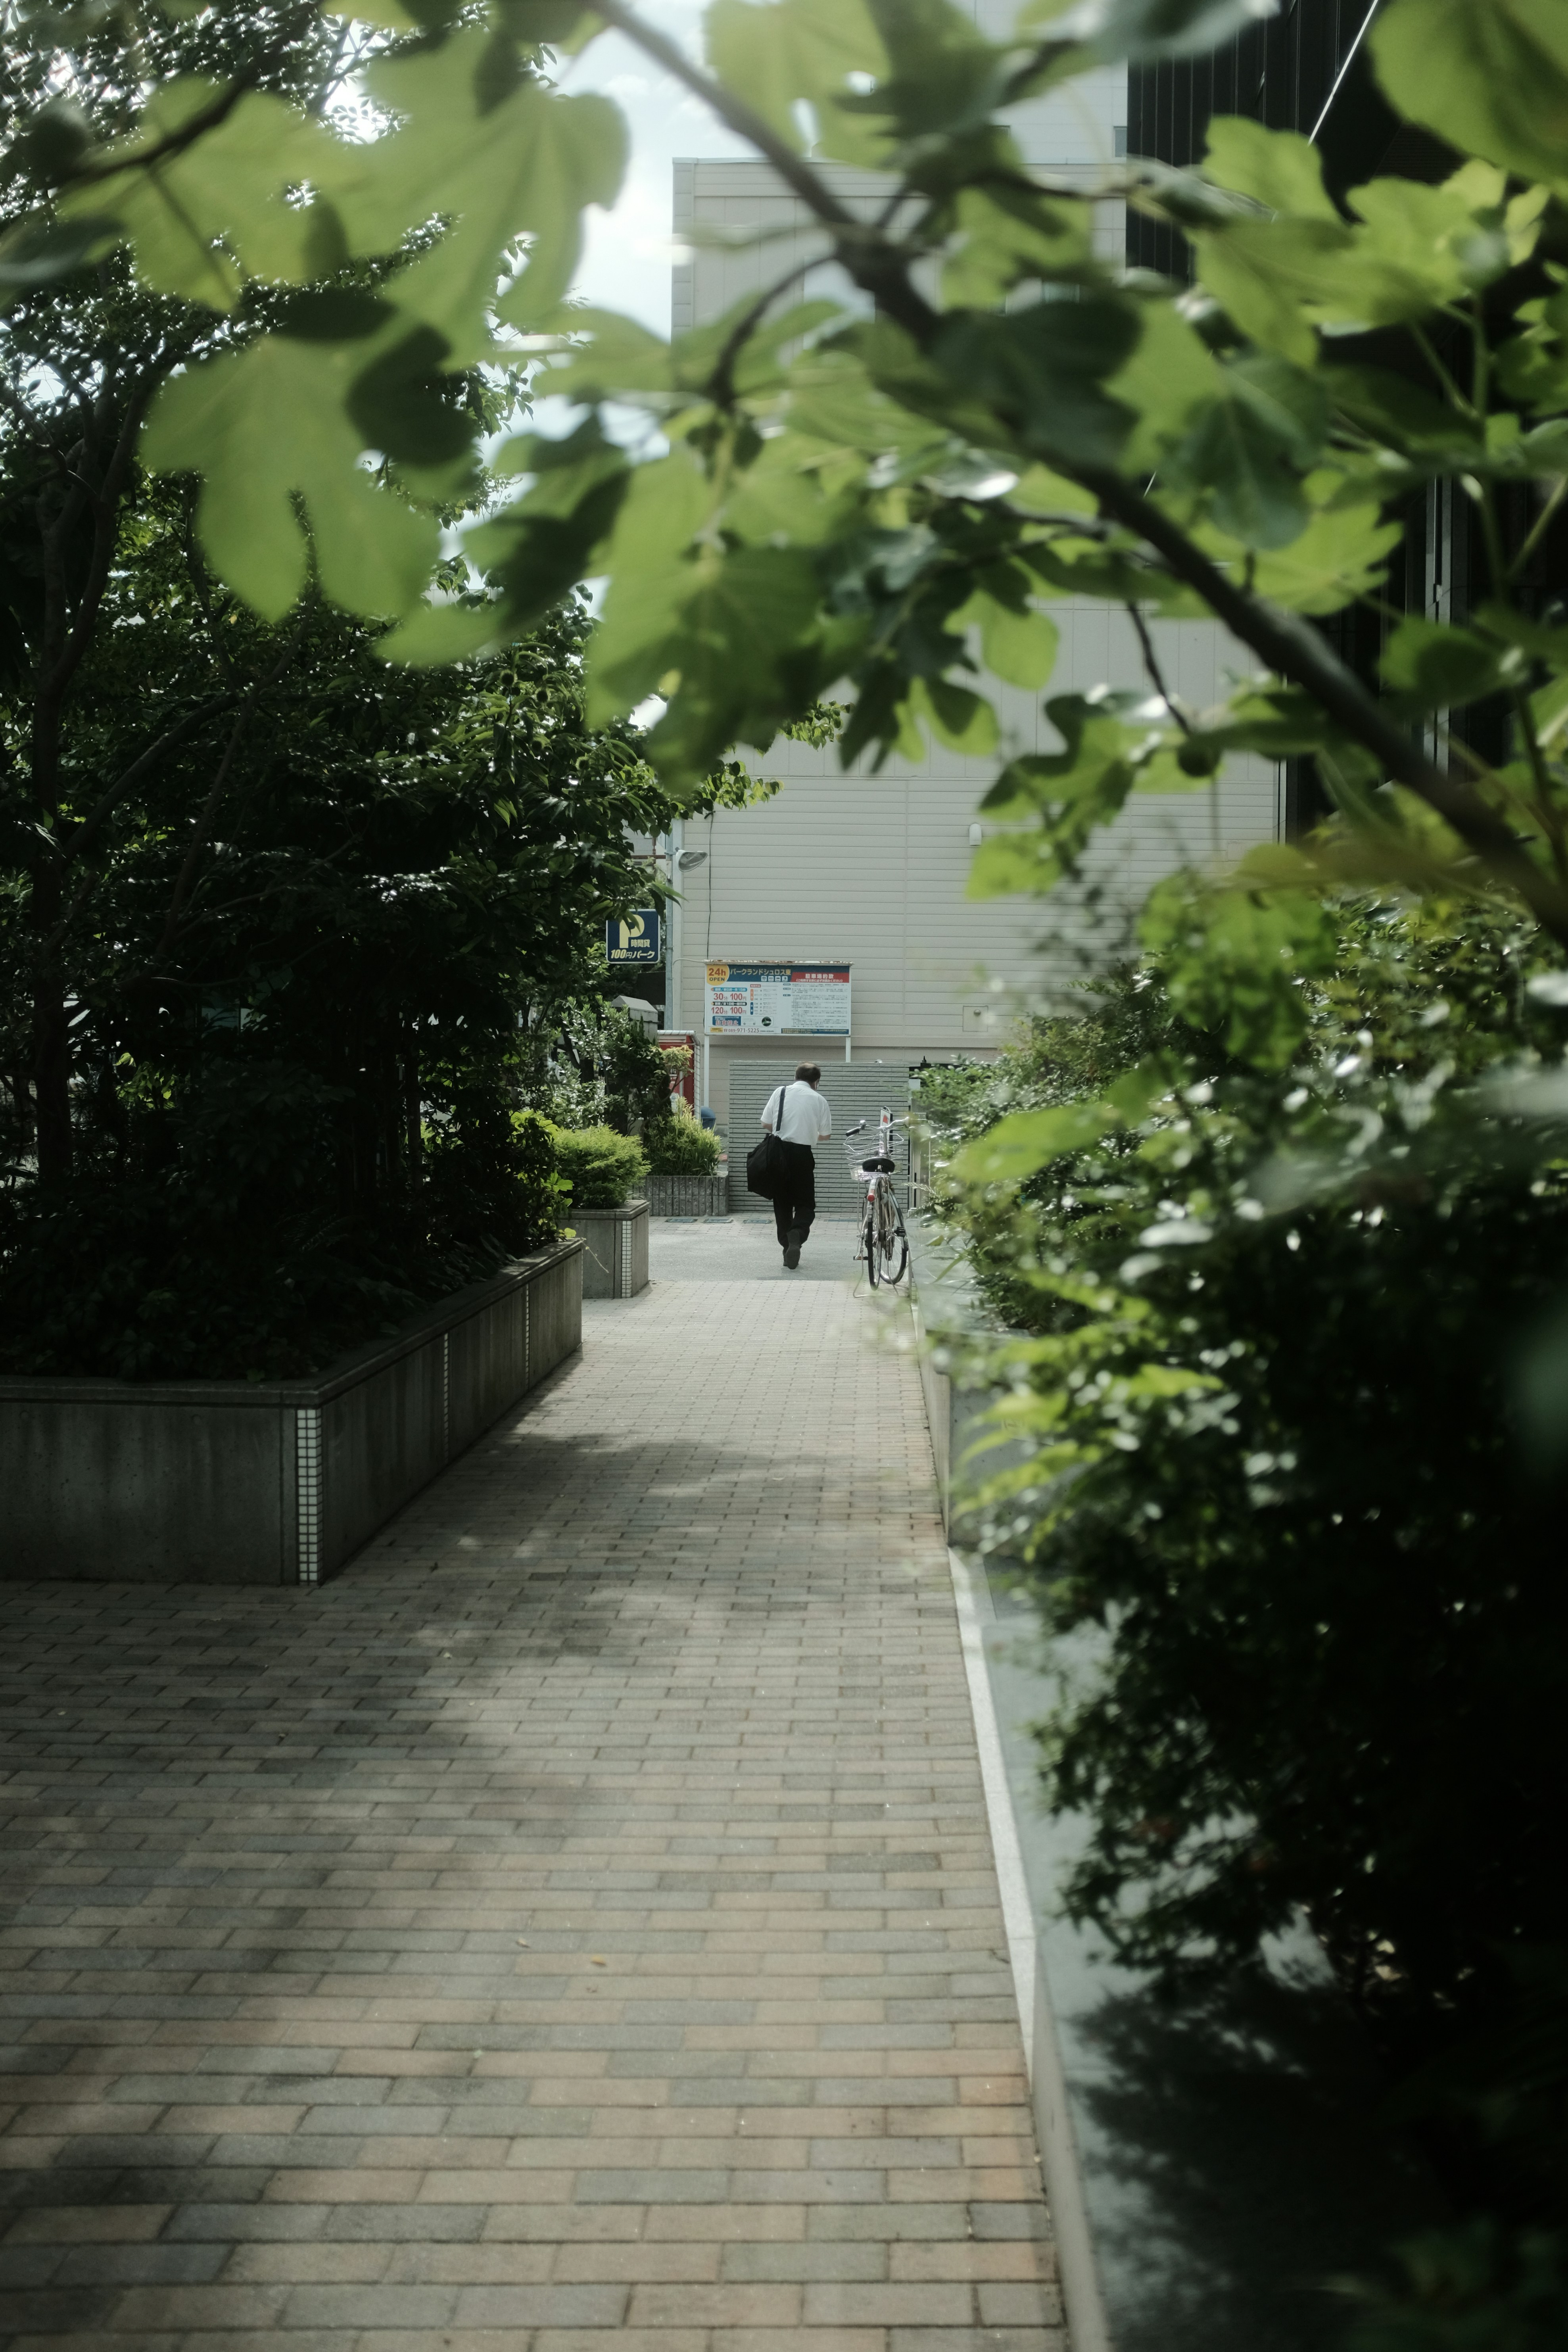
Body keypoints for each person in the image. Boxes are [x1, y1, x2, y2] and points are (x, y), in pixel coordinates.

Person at [760, 1064, 832, 1269]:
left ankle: (788, 1248)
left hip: (778, 1154)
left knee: (782, 1204)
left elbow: (766, 1124)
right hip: (802, 1155)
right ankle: (797, 1235)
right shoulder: (819, 1100)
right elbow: (826, 1136)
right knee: (806, 1204)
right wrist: (808, 1132)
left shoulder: (780, 1092)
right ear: (817, 1082)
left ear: (796, 1077)